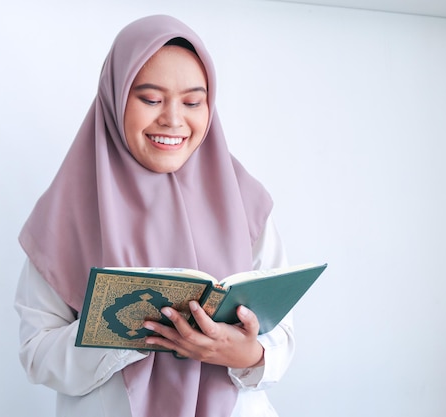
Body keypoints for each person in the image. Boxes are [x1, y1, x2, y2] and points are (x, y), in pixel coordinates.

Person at [15, 14, 294, 417]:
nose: (174, 120)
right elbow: (36, 352)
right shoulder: (66, 208)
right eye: (150, 99)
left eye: (194, 102)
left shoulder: (243, 198)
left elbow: (283, 333)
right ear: (115, 97)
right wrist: (125, 331)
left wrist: (248, 353)